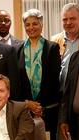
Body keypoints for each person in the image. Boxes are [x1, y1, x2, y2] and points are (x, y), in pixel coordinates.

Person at [14, 9, 61, 140]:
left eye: (34, 24)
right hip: (25, 109)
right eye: (27, 24)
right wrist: (28, 103)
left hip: (48, 109)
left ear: (41, 26)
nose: (31, 28)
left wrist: (38, 105)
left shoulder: (52, 48)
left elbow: (53, 79)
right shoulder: (17, 50)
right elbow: (16, 80)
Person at [51, 3, 79, 92]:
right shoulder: (54, 41)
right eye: (65, 20)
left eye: (72, 19)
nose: (68, 23)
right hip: (60, 93)